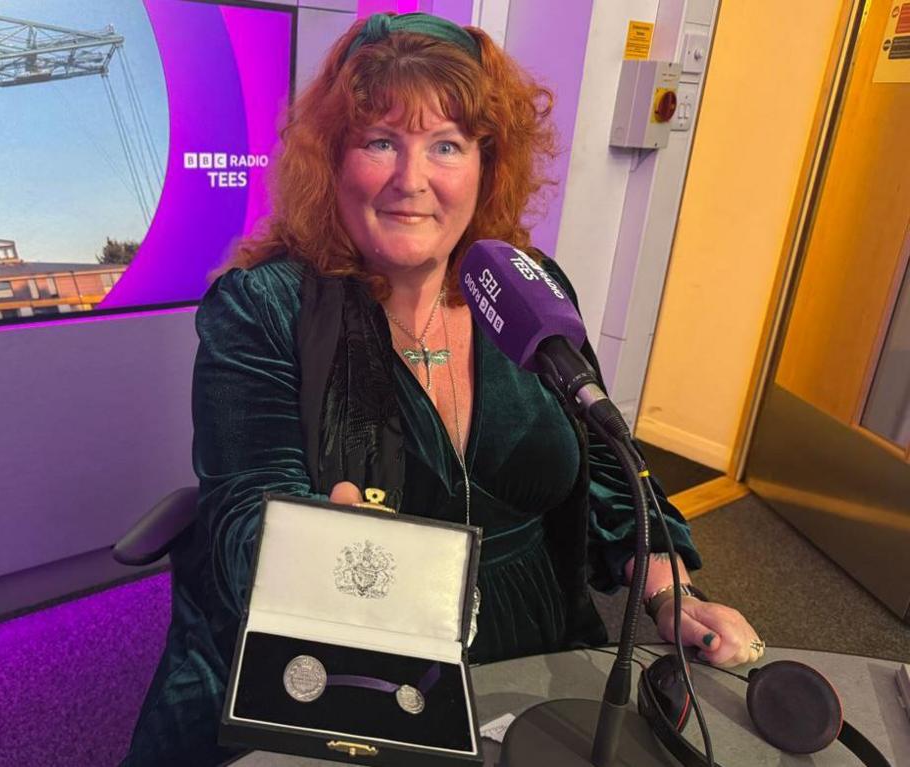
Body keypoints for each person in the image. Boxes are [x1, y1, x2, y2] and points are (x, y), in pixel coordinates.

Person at [122, 13, 762, 766]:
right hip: (340, 659)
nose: (412, 179)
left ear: (487, 164)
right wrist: (318, 546)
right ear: (333, 160)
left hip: (535, 638)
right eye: (380, 140)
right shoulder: (265, 307)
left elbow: (609, 473)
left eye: (447, 145)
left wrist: (668, 592)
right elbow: (243, 517)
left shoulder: (530, 290)